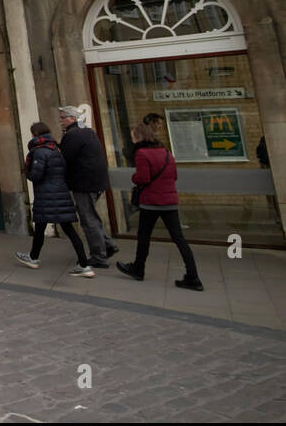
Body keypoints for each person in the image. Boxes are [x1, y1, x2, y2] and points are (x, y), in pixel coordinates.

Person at [117, 123, 202, 290]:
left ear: (139, 137)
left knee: (144, 236)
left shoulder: (141, 153)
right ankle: (193, 276)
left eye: (133, 135)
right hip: (169, 201)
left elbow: (142, 178)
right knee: (179, 238)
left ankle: (138, 268)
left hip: (152, 202)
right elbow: (174, 175)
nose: (132, 139)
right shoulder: (166, 152)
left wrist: (134, 177)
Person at [15, 123, 94, 276]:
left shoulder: (39, 152)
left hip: (46, 195)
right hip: (60, 193)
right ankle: (83, 264)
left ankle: (34, 258)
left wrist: (27, 172)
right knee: (65, 229)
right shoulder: (56, 149)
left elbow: (36, 176)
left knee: (41, 227)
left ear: (35, 135)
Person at [57, 105, 117, 267]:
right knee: (91, 214)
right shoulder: (87, 132)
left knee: (88, 219)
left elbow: (64, 158)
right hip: (97, 181)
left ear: (72, 118)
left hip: (84, 183)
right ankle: (108, 244)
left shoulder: (73, 135)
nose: (61, 121)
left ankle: (99, 256)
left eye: (63, 118)